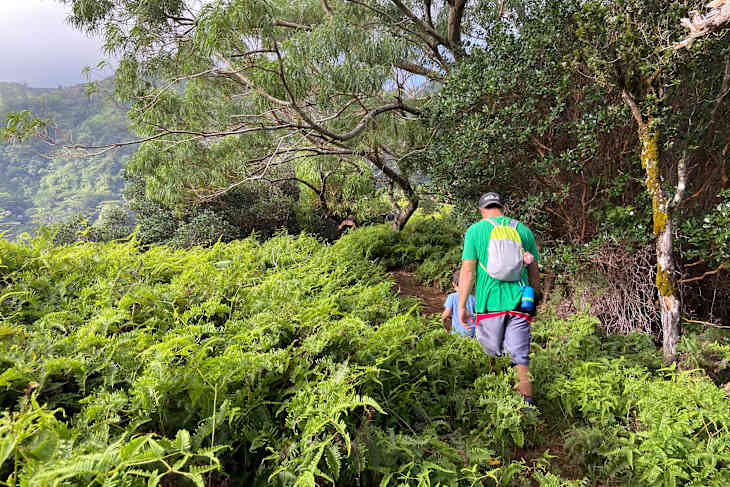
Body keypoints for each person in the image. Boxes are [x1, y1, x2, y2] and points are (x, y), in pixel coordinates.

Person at [457, 192, 542, 405]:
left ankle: (497, 407)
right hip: (519, 303)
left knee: (491, 356)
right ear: (502, 207)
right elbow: (534, 272)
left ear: (481, 210)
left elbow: (467, 271)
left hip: (488, 305)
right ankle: (526, 412)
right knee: (520, 360)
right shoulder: (523, 230)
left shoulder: (475, 231)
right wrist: (535, 297)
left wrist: (462, 306)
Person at [442, 269, 477, 337]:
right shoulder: (473, 298)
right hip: (471, 330)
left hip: (458, 332)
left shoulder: (451, 297)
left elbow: (447, 313)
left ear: (454, 284)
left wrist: (442, 320)